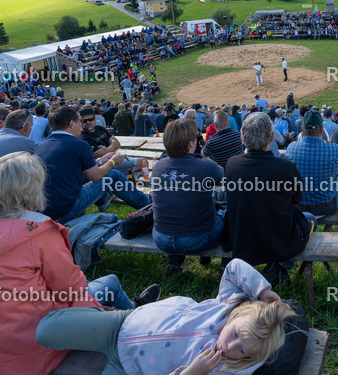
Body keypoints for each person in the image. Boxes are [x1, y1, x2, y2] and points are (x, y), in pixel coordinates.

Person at [0, 152, 158, 375]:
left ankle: (134, 317)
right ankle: (141, 326)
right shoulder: (36, 232)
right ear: (32, 188)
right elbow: (73, 292)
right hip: (20, 355)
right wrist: (105, 317)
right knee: (110, 284)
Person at [36, 259, 294, 375]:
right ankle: (108, 306)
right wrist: (262, 290)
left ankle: (102, 303)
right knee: (44, 331)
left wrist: (190, 374)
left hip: (128, 369)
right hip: (122, 323)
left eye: (242, 350)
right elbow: (235, 267)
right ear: (237, 315)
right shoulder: (225, 305)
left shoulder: (220, 372)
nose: (230, 346)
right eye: (236, 334)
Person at [223, 113, 315, 282]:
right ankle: (279, 266)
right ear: (272, 137)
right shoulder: (286, 167)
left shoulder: (232, 164)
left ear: (242, 139)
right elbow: (297, 198)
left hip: (243, 235)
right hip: (278, 238)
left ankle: (275, 267)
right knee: (310, 218)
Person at [35, 106, 149, 224]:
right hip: (66, 210)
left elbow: (68, 170)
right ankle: (148, 205)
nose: (82, 124)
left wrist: (100, 161)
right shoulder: (79, 144)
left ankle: (104, 200)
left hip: (44, 211)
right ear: (71, 124)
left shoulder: (41, 146)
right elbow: (95, 176)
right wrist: (113, 161)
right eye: (80, 120)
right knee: (114, 175)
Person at [151, 119, 224, 277]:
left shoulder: (159, 166)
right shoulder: (206, 166)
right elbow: (220, 175)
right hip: (196, 240)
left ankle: (174, 264)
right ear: (191, 143)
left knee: (180, 213)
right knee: (226, 216)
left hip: (161, 238)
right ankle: (226, 267)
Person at [287, 110, 338, 218]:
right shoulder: (333, 149)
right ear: (322, 129)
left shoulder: (291, 148)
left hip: (299, 206)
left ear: (302, 129)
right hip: (326, 206)